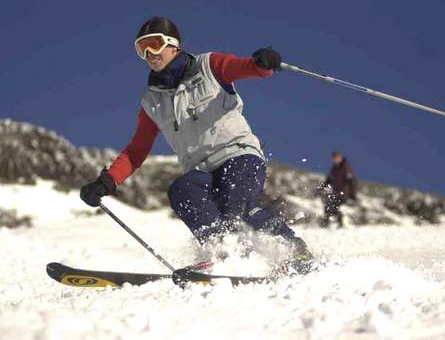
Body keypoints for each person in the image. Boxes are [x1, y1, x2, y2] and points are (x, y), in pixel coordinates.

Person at [79, 16, 313, 268]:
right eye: (141, 48)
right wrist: (107, 181)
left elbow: (244, 67)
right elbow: (136, 151)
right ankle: (225, 253)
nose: (149, 53)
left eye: (154, 44)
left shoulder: (209, 66)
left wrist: (262, 64)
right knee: (182, 191)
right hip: (200, 169)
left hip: (238, 154)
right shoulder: (152, 102)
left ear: (173, 45)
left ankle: (293, 250)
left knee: (238, 207)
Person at [318, 152, 358, 228]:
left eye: (336, 158)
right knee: (328, 206)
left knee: (338, 207)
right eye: (334, 158)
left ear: (340, 157)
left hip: (344, 192)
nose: (335, 160)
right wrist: (322, 187)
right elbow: (329, 179)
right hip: (335, 192)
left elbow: (352, 181)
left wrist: (352, 194)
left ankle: (342, 224)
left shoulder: (346, 167)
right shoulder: (334, 168)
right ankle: (325, 224)